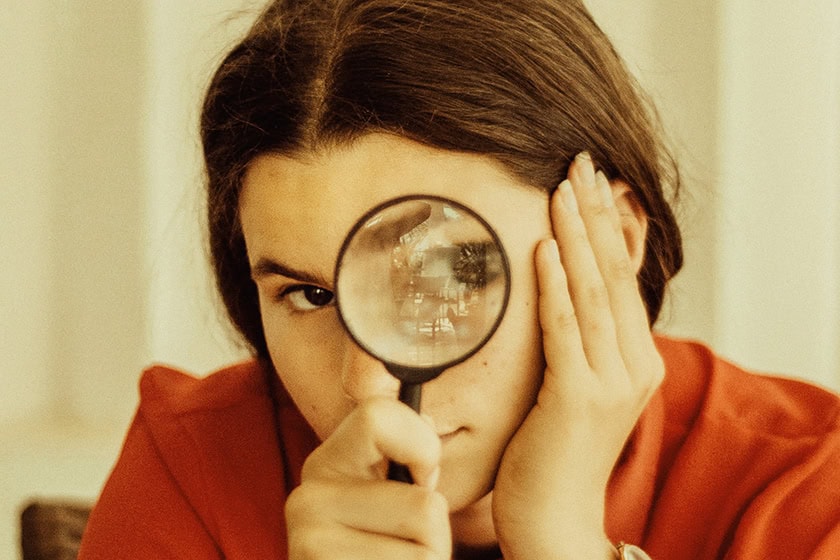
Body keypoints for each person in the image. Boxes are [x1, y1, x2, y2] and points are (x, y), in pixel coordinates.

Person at [78, 0, 840, 558]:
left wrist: (564, 541)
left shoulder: (807, 488)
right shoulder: (194, 467)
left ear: (616, 239)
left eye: (445, 271)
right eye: (309, 295)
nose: (367, 380)